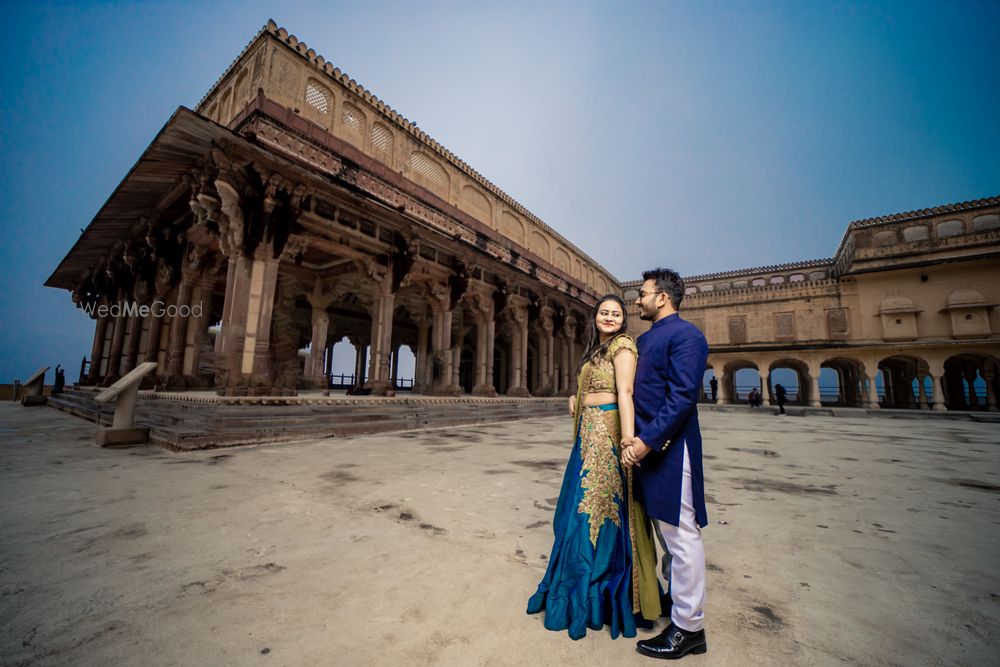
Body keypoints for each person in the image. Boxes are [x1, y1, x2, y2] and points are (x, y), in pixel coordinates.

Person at [527, 294, 661, 639]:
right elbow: (590, 386)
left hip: (606, 433)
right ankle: (575, 580)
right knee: (577, 508)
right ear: (595, 317)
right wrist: (577, 397)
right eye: (604, 312)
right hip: (588, 432)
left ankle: (596, 588)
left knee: (597, 510)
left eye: (616, 313)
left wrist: (630, 441)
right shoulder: (595, 350)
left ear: (623, 320)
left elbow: (626, 392)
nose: (609, 317)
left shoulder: (623, 347)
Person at [624, 267, 710, 660]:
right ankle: (678, 611)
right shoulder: (649, 337)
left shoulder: (686, 335)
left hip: (670, 449)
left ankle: (689, 629)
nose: (637, 299)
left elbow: (682, 398)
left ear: (662, 297)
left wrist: (647, 442)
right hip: (649, 449)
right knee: (667, 536)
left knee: (681, 536)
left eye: (642, 293)